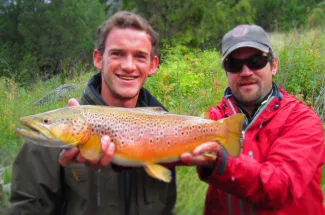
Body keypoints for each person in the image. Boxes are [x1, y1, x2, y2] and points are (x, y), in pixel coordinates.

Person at [8, 11, 177, 215]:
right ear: (98, 58)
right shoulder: (46, 144)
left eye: (140, 56)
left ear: (153, 65)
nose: (129, 66)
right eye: (118, 54)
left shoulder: (167, 132)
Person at [181, 24, 325, 214]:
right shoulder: (213, 120)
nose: (246, 71)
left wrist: (221, 162)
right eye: (234, 64)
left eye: (256, 61)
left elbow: (279, 187)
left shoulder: (303, 121)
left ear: (273, 66)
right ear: (226, 72)